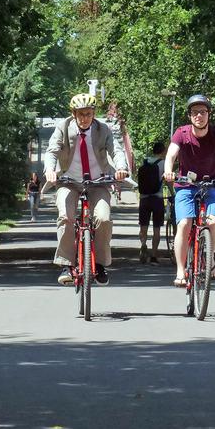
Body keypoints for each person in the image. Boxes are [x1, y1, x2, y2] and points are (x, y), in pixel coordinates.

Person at [44, 92, 129, 286]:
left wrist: (122, 168)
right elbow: (52, 150)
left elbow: (116, 150)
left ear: (94, 113)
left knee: (103, 218)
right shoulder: (63, 128)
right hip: (69, 181)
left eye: (88, 114)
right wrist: (50, 170)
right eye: (80, 114)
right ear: (73, 114)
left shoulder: (103, 129)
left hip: (98, 181)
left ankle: (99, 265)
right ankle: (66, 264)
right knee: (66, 216)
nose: (84, 118)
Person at [163, 95, 215, 287]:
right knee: (184, 224)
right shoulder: (181, 133)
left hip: (212, 186)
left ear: (209, 114)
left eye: (202, 112)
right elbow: (171, 154)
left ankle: (209, 260)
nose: (198, 116)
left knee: (213, 222)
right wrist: (168, 171)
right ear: (190, 116)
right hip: (186, 185)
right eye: (194, 112)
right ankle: (180, 270)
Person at [137, 140, 167, 265]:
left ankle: (143, 244)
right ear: (163, 151)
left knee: (143, 226)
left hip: (144, 198)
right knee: (156, 229)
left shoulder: (145, 162)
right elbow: (168, 181)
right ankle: (154, 255)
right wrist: (172, 194)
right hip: (157, 198)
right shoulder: (163, 164)